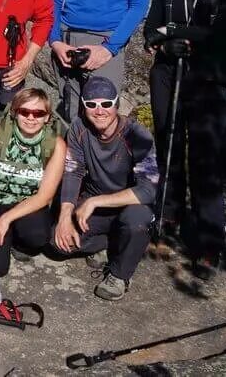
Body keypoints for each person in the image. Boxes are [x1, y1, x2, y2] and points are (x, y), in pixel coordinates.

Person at [143, 0, 226, 278]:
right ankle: (170, 211)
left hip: (208, 81)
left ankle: (208, 239)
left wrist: (175, 32)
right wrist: (166, 39)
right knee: (167, 142)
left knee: (205, 158)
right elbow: (150, 28)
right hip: (167, 75)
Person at [53, 77, 159, 301]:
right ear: (83, 107)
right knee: (58, 242)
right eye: (91, 104)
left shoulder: (137, 135)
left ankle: (120, 274)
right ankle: (111, 244)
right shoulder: (79, 128)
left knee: (137, 222)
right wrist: (64, 216)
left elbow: (149, 190)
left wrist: (94, 202)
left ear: (117, 104)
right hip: (96, 200)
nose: (99, 111)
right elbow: (73, 171)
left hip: (130, 203)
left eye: (106, 104)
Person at [0, 88, 66, 277]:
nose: (31, 118)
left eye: (39, 113)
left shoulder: (55, 145)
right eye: (24, 112)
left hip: (26, 204)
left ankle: (12, 235)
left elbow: (45, 196)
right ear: (15, 112)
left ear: (47, 117)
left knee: (38, 237)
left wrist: (6, 219)